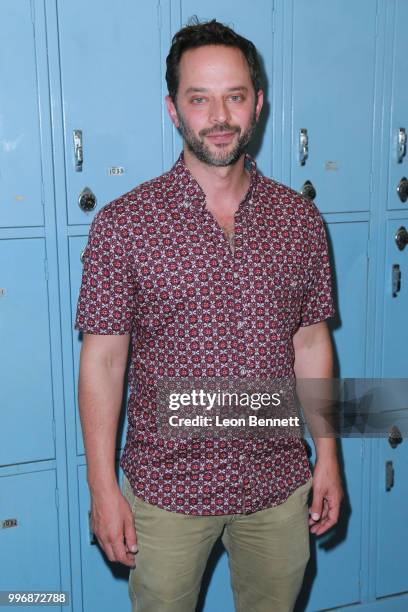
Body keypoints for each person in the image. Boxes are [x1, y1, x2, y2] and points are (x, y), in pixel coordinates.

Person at [75, 18, 344, 612]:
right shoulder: (126, 224)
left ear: (258, 103)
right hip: (166, 491)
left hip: (278, 484)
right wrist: (102, 487)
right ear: (174, 109)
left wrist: (328, 455)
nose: (219, 115)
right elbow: (103, 360)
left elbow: (311, 344)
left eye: (235, 96)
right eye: (200, 98)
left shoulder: (299, 222)